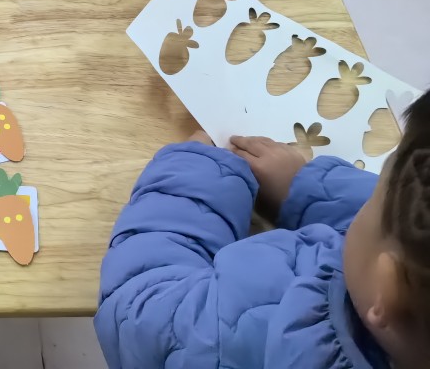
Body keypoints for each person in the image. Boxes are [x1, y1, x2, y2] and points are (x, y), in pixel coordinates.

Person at [96, 88, 430, 368]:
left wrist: (193, 177)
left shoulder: (246, 333)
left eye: (378, 192)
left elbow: (139, 312)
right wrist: (304, 189)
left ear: (387, 290)